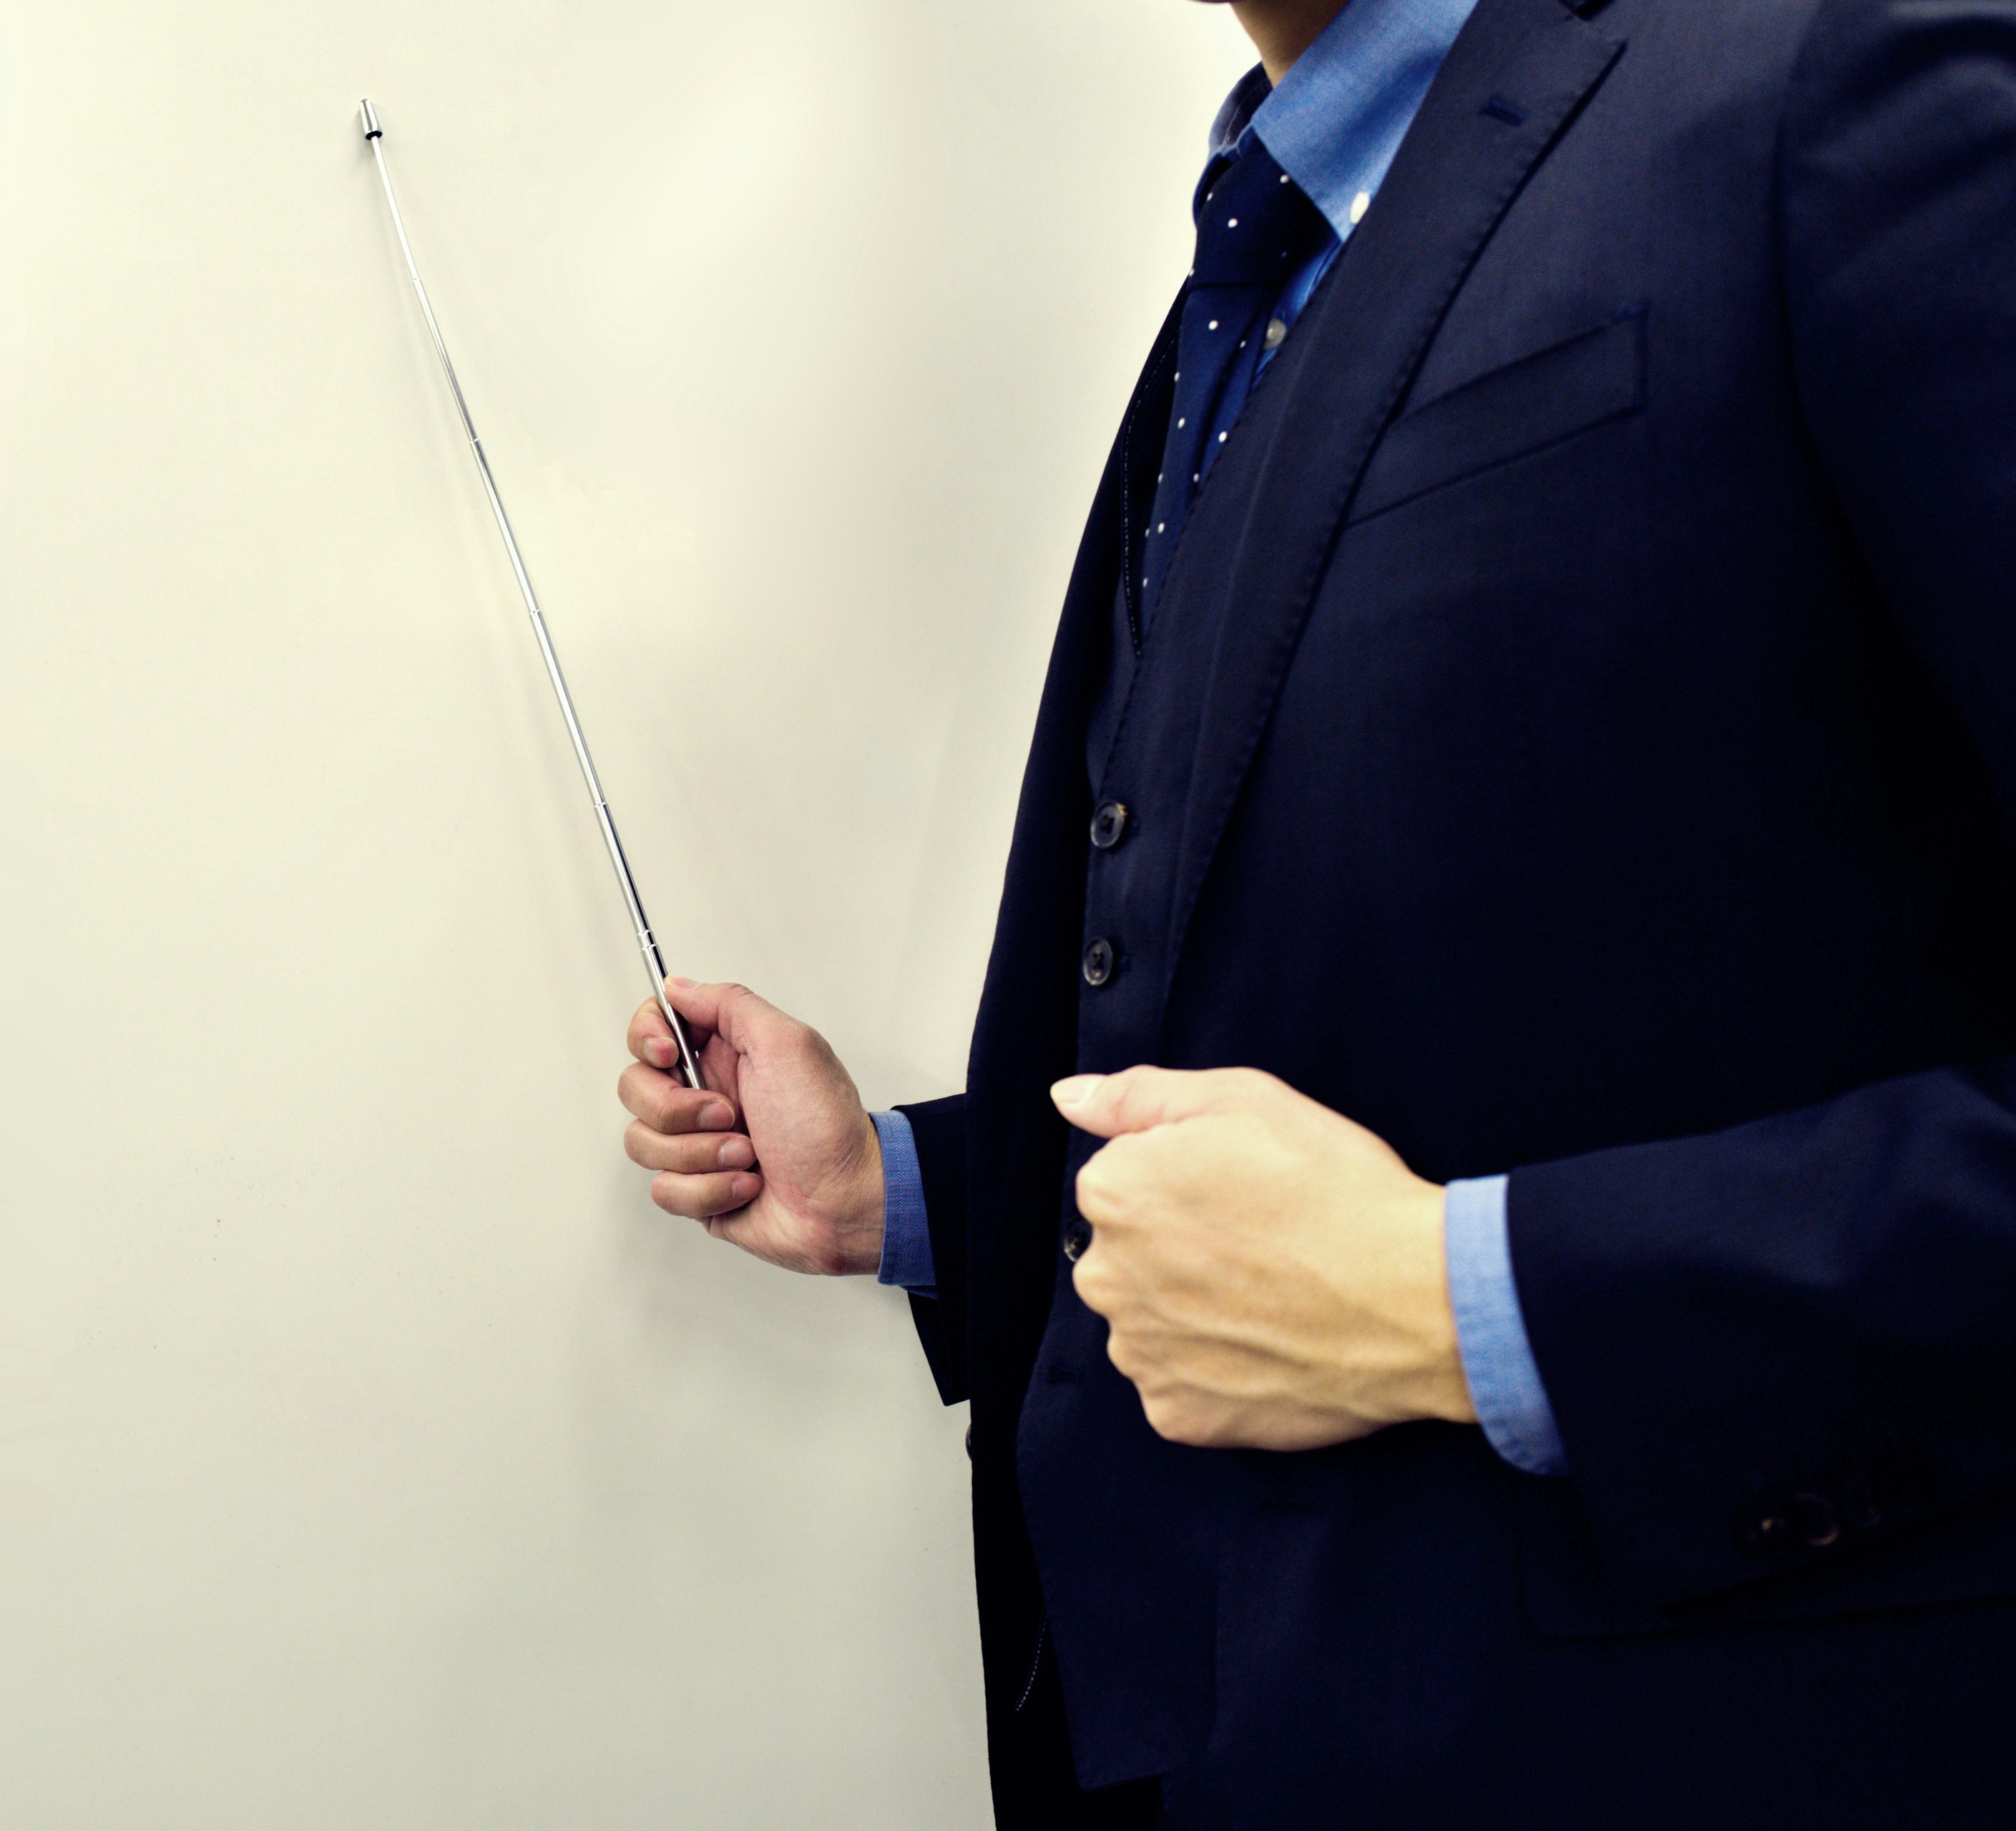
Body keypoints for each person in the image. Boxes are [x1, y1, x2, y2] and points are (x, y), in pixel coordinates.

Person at [615, 0, 2016, 1821]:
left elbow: (1403, 1225)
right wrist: (915, 1190)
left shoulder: (1841, 82)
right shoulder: (1254, 270)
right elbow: (1417, 991)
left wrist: (1469, 1302)